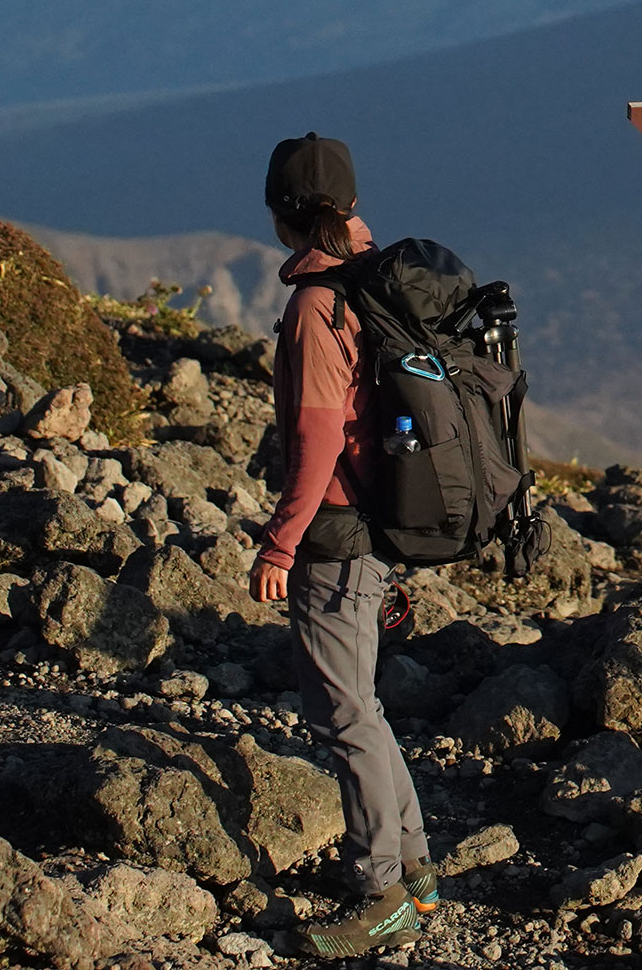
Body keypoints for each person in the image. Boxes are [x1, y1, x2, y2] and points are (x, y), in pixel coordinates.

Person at [248, 132, 438, 961]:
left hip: (331, 534)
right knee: (365, 703)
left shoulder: (314, 306)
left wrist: (279, 544)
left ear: (283, 213)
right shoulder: (372, 283)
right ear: (350, 204)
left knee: (344, 713)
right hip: (375, 524)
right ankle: (418, 869)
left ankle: (380, 889)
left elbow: (318, 440)